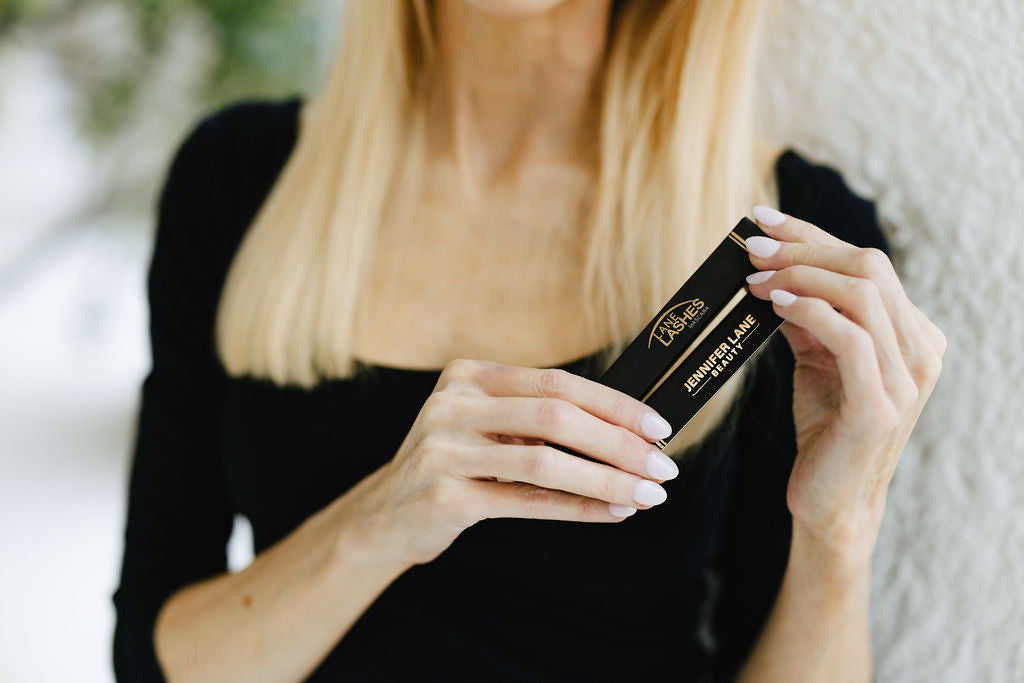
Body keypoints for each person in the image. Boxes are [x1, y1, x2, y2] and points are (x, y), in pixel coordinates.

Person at [112, 1, 946, 681]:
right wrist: (375, 527)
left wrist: (840, 529)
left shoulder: (780, 241)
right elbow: (155, 663)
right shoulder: (235, 180)